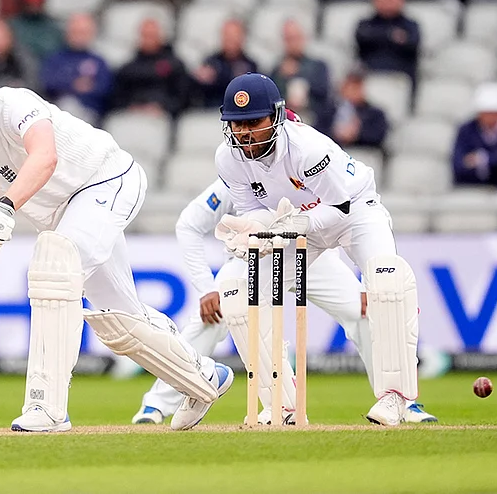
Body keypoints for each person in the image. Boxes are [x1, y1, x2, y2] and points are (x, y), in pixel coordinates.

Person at [0, 58, 233, 432]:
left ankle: (47, 407)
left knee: (54, 270)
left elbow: (45, 156)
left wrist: (4, 208)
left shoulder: (14, 104)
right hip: (64, 217)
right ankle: (204, 377)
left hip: (107, 180)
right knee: (121, 323)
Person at [132, 171, 438, 425]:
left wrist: (362, 279)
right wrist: (205, 288)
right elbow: (188, 224)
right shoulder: (235, 174)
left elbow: (344, 215)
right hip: (256, 257)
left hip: (311, 254)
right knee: (222, 307)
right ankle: (158, 403)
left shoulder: (305, 166)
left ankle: (398, 398)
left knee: (363, 309)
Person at [213, 72, 421, 426]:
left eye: (254, 122)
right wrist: (254, 232)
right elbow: (254, 211)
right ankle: (282, 402)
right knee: (234, 289)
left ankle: (395, 397)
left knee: (386, 281)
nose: (245, 133)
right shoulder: (228, 158)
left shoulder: (308, 148)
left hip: (354, 212)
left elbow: (339, 206)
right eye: (237, 124)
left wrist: (297, 223)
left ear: (276, 116)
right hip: (296, 225)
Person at [40, 13, 113, 126]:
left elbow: (105, 88)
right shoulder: (55, 59)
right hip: (60, 112)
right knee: (68, 105)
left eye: (83, 32)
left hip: (92, 114)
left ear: (91, 34)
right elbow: (48, 83)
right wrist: (74, 85)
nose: (79, 36)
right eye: (75, 32)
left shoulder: (99, 61)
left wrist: (87, 88)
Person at [452, 83, 497, 188]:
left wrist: (482, 159)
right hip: (473, 185)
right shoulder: (466, 129)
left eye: (493, 112)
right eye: (485, 113)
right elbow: (459, 164)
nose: (489, 117)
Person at [356, 0, 420, 83]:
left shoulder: (411, 25)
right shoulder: (365, 24)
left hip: (401, 79)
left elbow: (412, 43)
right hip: (369, 77)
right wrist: (392, 35)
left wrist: (379, 36)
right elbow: (363, 37)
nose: (389, 1)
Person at [271, 19, 330, 125]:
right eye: (289, 39)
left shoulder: (318, 66)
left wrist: (300, 74)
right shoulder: (277, 70)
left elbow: (324, 95)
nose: (293, 43)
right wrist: (283, 77)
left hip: (314, 121)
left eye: (296, 38)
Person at [316, 68, 389, 152]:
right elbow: (317, 133)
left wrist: (357, 133)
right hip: (333, 152)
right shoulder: (329, 111)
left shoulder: (375, 113)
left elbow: (378, 136)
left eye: (357, 87)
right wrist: (336, 133)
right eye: (350, 86)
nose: (352, 91)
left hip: (363, 153)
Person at [192, 18, 258, 109]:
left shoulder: (250, 65)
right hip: (211, 111)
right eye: (227, 36)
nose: (230, 40)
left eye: (234, 36)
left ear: (242, 38)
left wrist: (218, 76)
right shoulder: (210, 61)